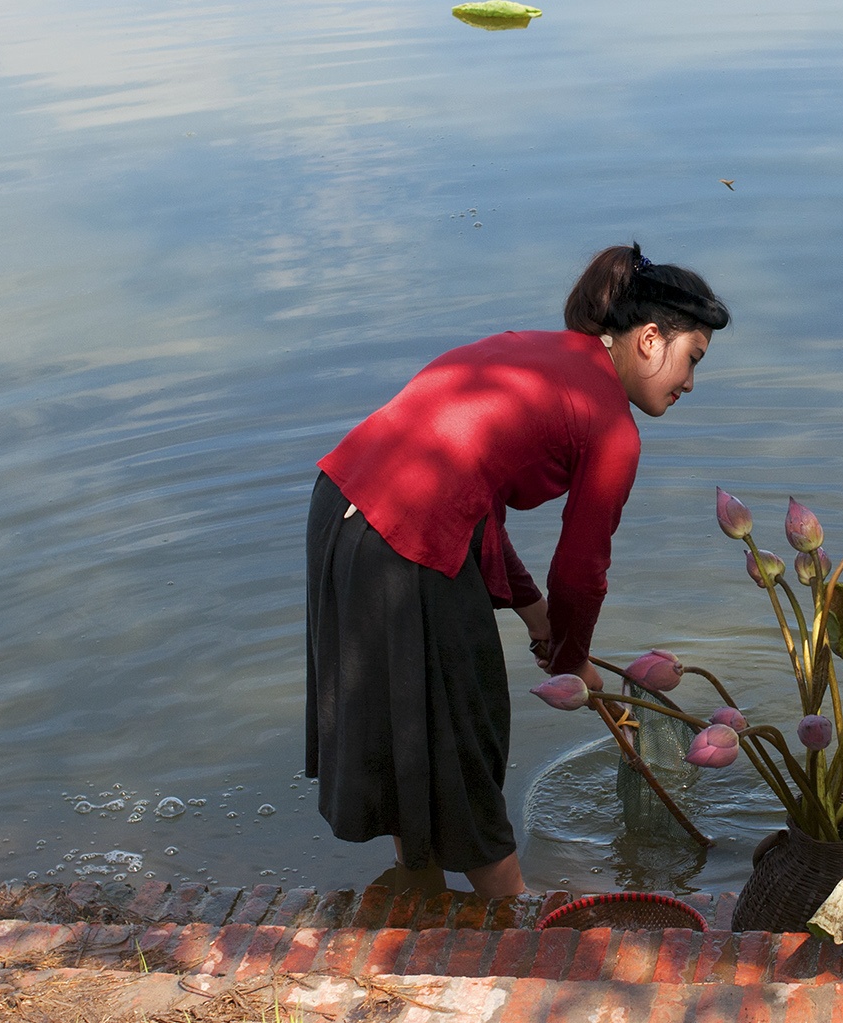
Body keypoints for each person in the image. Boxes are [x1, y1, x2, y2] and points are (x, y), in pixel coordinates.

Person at [305, 243, 730, 896]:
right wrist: (572, 659)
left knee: (410, 723)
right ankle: (517, 919)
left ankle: (417, 891)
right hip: (406, 538)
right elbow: (582, 569)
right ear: (649, 339)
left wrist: (537, 619)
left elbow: (473, 498)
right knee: (466, 731)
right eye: (691, 359)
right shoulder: (612, 426)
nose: (690, 383)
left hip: (343, 507)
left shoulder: (536, 352)